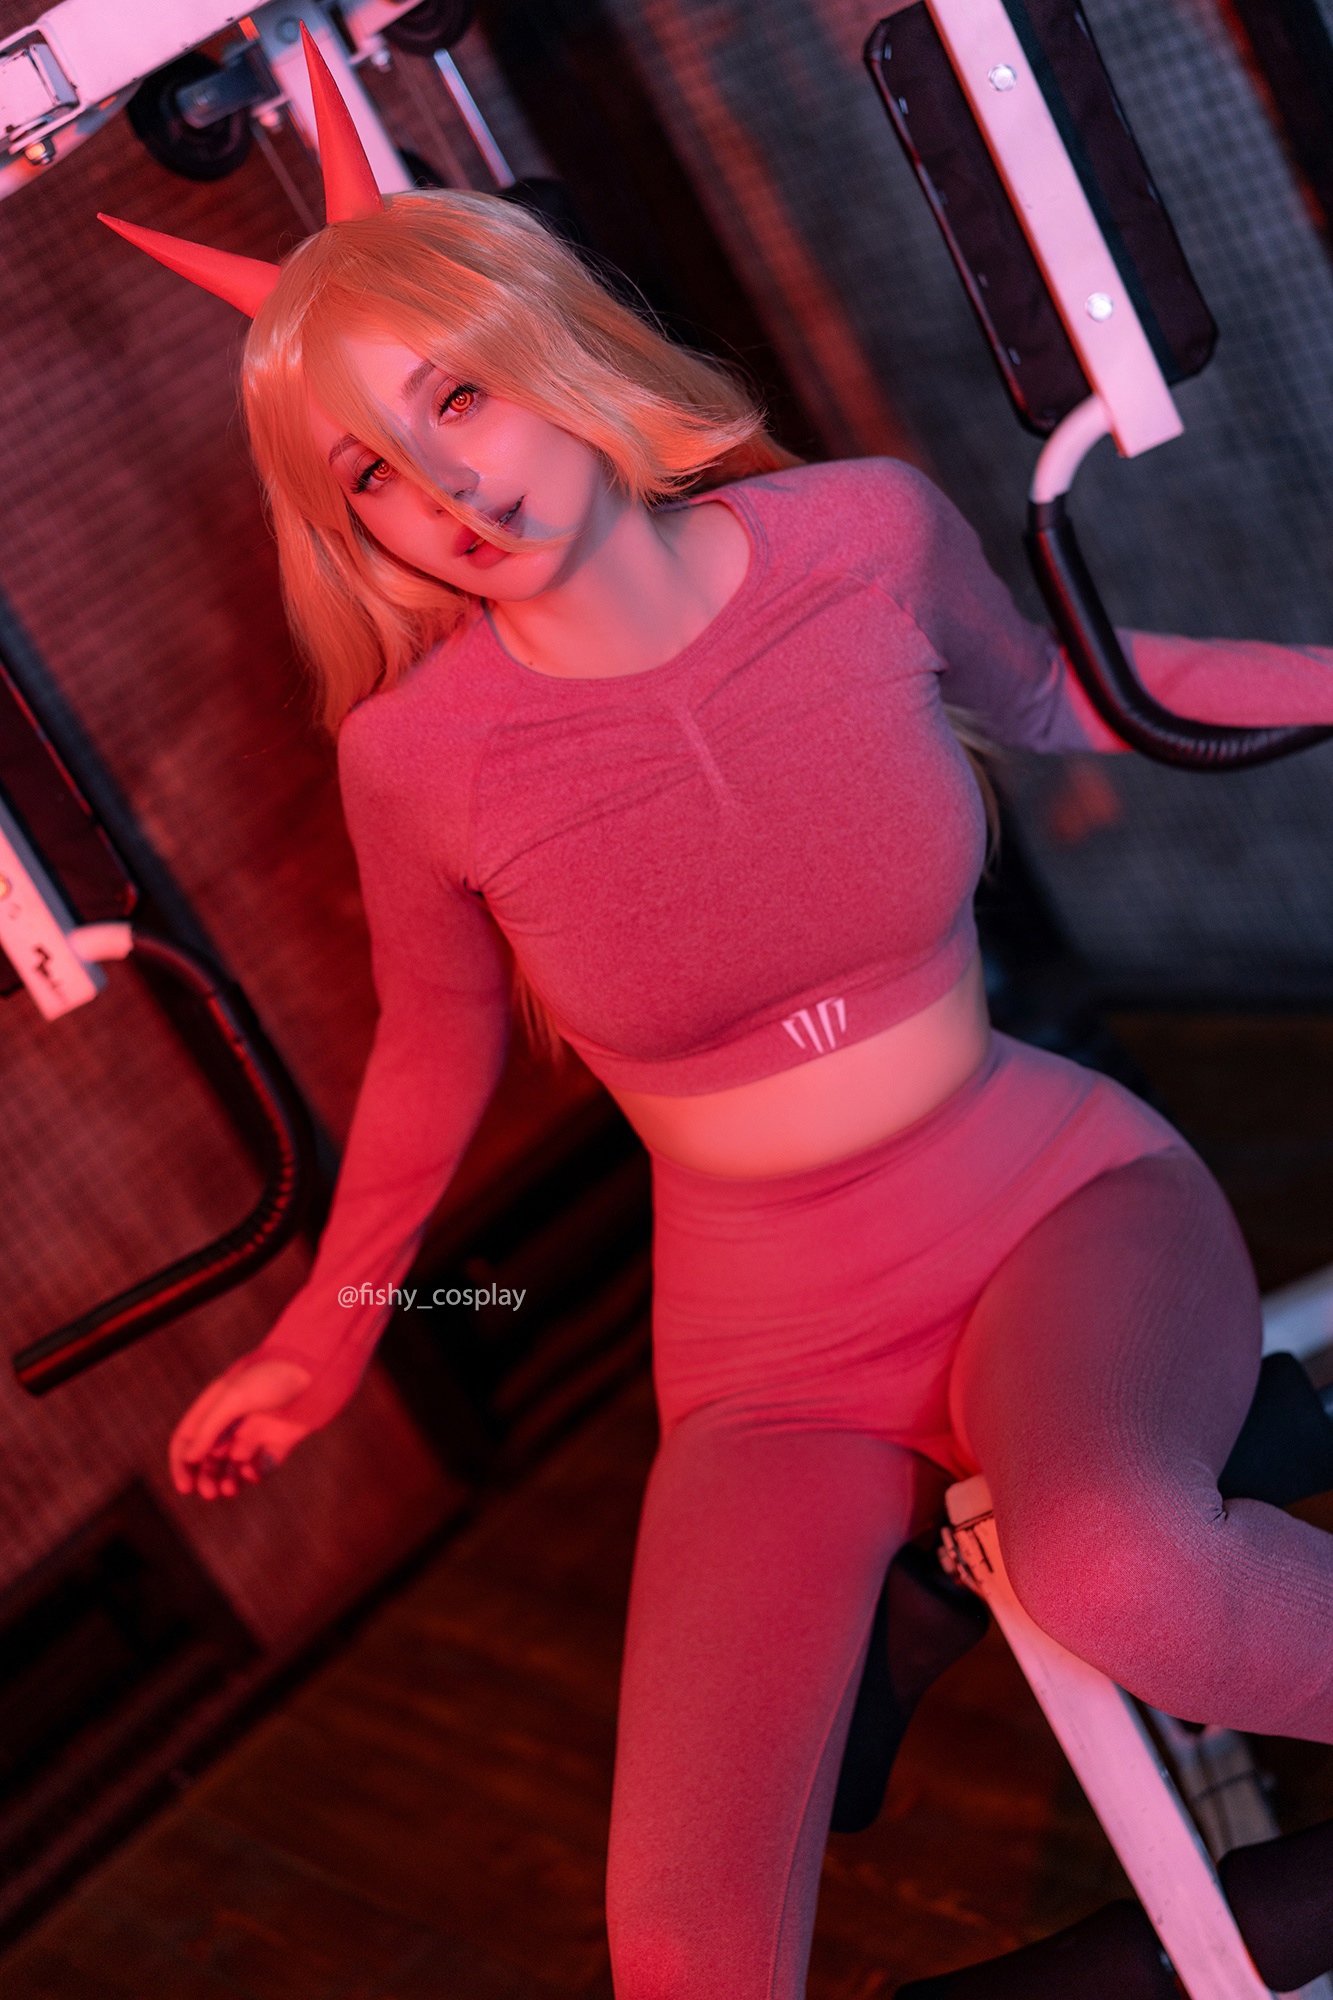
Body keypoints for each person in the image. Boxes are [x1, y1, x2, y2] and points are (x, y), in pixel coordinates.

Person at [102, 31, 1333, 1999]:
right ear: (351, 532)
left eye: (458, 393)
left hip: (1050, 1205)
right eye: (369, 472)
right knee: (682, 1950)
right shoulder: (417, 759)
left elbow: (1072, 691)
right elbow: (432, 1053)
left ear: (560, 349)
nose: (445, 485)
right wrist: (326, 1342)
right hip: (767, 1345)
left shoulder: (858, 537)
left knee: (1122, 1568)